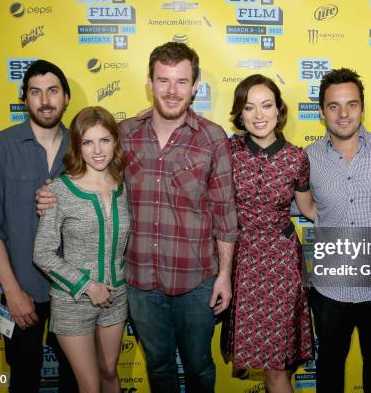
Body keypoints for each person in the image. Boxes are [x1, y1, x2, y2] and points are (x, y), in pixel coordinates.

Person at [37, 42, 238, 393]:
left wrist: (224, 276)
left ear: (195, 86)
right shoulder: (124, 134)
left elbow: (225, 214)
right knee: (158, 367)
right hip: (140, 283)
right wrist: (49, 194)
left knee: (199, 367)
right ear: (149, 82)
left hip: (196, 281)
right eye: (163, 80)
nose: (172, 91)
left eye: (181, 82)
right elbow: (87, 174)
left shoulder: (212, 138)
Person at [0, 60, 77, 392]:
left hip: (74, 291)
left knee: (75, 379)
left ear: (67, 97)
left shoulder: (85, 148)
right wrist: (13, 293)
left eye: (53, 91)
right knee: (24, 378)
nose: (45, 101)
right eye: (35, 92)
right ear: (25, 99)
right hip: (21, 289)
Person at [305, 68, 371, 393]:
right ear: (322, 111)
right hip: (329, 290)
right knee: (329, 369)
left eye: (351, 104)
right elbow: (302, 206)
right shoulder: (307, 158)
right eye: (334, 106)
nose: (343, 113)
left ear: (362, 107)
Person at [226, 74, 315, 393]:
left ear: (279, 110)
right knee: (259, 363)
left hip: (283, 267)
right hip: (246, 264)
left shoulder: (296, 158)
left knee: (278, 368)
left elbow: (308, 209)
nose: (259, 115)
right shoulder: (228, 151)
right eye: (249, 108)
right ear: (240, 114)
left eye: (266, 106)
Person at [33, 106, 130, 393]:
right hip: (72, 302)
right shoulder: (59, 191)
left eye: (104, 140)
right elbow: (43, 253)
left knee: (110, 372)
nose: (97, 150)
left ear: (115, 142)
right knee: (89, 386)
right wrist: (88, 286)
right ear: (77, 146)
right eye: (88, 142)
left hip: (117, 297)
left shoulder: (125, 187)